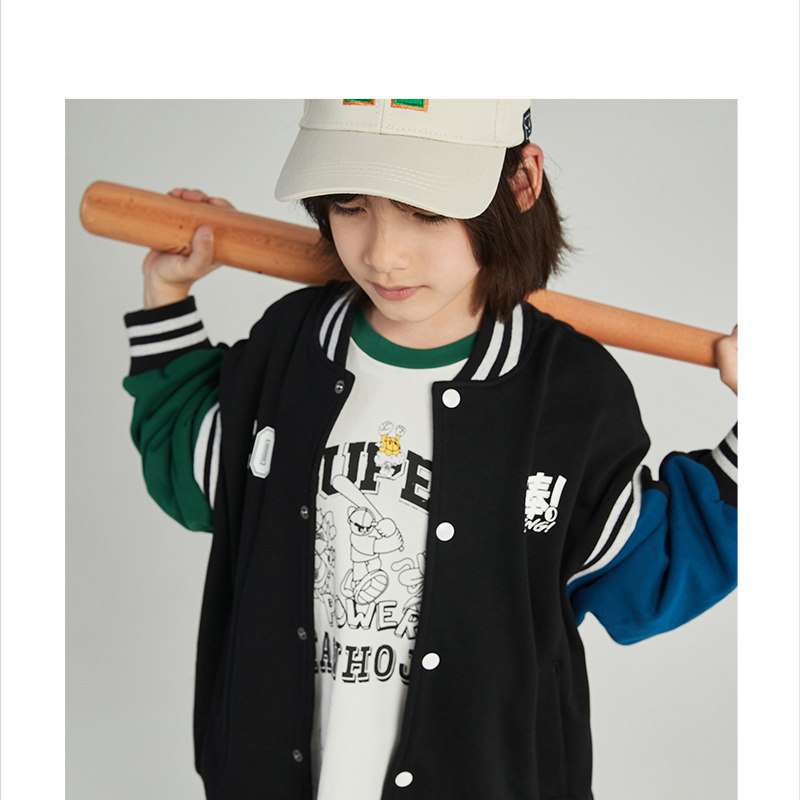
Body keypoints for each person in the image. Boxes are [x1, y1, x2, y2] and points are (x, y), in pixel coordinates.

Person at [122, 99, 738, 800]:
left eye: (427, 210)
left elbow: (648, 575)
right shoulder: (291, 348)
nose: (382, 253)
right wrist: (166, 295)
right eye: (350, 204)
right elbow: (196, 474)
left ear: (521, 183)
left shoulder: (568, 394)